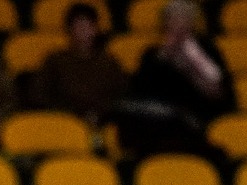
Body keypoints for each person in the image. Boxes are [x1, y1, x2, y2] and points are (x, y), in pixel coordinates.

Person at [117, 0, 228, 157]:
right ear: (165, 25)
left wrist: (188, 67)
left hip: (192, 118)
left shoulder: (206, 52)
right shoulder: (152, 54)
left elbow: (218, 93)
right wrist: (166, 55)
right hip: (155, 118)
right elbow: (140, 91)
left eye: (184, 19)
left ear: (192, 23)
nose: (179, 26)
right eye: (173, 20)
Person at [35, 3, 127, 124]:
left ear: (96, 29)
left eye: (89, 26)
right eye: (79, 26)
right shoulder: (55, 60)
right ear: (69, 29)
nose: (84, 31)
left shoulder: (109, 62)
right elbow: (39, 94)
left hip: (104, 119)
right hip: (63, 120)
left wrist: (100, 113)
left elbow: (122, 94)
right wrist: (70, 114)